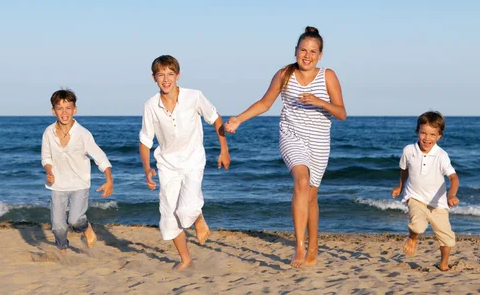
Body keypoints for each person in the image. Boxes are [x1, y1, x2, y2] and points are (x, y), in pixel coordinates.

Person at [225, 26, 346, 268]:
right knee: (301, 181)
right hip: (292, 136)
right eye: (303, 50)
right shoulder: (284, 75)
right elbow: (265, 103)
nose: (307, 55)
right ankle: (299, 247)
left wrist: (319, 101)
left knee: (311, 196)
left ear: (320, 55)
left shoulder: (328, 76)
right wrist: (239, 118)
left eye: (313, 51)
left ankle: (314, 245)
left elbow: (341, 113)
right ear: (295, 51)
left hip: (320, 142)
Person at [139, 55, 231, 270]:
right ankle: (186, 259)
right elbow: (145, 140)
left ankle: (198, 219)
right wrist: (147, 168)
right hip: (167, 166)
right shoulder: (151, 105)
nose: (166, 79)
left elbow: (216, 118)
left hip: (192, 161)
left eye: (170, 74)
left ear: (178, 75)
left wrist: (224, 150)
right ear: (153, 78)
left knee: (187, 207)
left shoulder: (194, 96)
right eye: (161, 75)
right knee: (169, 214)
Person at [41, 89, 113, 254]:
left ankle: (86, 227)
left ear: (75, 109)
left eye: (68, 108)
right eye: (60, 108)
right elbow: (46, 158)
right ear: (54, 111)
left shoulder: (83, 134)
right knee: (58, 226)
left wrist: (109, 179)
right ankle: (63, 252)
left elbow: (100, 156)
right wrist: (48, 170)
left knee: (74, 220)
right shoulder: (48, 133)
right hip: (57, 184)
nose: (64, 112)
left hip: (79, 184)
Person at [391, 111, 459, 271]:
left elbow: (454, 178)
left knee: (447, 237)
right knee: (418, 225)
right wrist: (400, 187)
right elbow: (404, 170)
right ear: (417, 132)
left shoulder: (441, 156)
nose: (427, 138)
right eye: (423, 133)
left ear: (439, 136)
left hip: (438, 203)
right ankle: (412, 237)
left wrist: (452, 195)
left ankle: (443, 263)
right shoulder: (408, 150)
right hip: (415, 197)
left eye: (432, 134)